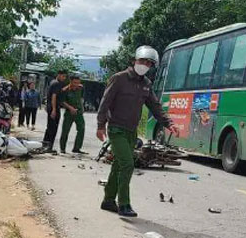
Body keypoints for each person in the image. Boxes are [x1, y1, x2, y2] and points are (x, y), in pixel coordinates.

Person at [97, 46, 179, 217]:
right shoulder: (119, 79)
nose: (144, 65)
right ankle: (124, 204)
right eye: (142, 61)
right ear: (134, 60)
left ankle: (108, 200)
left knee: (118, 164)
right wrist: (100, 125)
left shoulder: (146, 85)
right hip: (116, 129)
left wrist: (168, 123)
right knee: (128, 163)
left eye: (149, 63)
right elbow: (105, 103)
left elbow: (155, 107)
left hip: (131, 132)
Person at [59, 75, 87, 154]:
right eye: (75, 82)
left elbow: (81, 98)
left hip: (79, 112)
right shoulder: (65, 90)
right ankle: (62, 148)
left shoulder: (81, 88)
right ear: (70, 81)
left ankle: (76, 148)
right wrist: (70, 108)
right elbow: (62, 102)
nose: (76, 84)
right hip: (69, 113)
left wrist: (82, 107)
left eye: (78, 82)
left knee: (81, 129)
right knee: (65, 130)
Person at [43, 70, 68, 151]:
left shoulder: (53, 82)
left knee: (50, 127)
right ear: (59, 75)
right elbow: (54, 96)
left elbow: (60, 91)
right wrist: (54, 109)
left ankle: (45, 145)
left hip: (51, 107)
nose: (64, 78)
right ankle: (48, 147)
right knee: (53, 128)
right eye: (63, 76)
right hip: (54, 108)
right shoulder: (56, 84)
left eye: (65, 76)